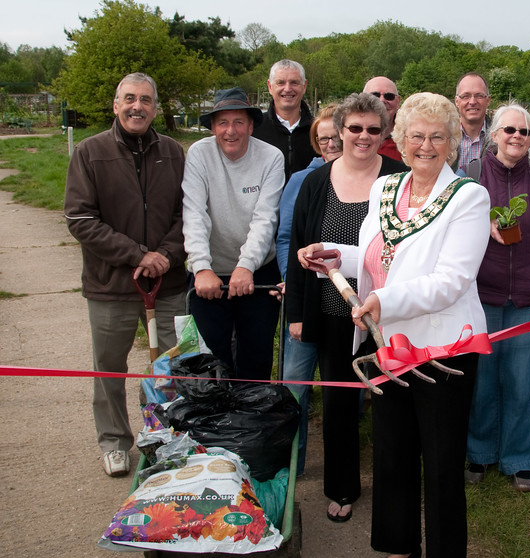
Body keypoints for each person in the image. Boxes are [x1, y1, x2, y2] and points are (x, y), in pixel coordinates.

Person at [296, 91, 490, 558]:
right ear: (399, 141)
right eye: (416, 136)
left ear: (451, 143)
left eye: (437, 136)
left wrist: (382, 300)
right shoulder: (386, 188)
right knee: (392, 452)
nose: (426, 145)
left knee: (441, 463)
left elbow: (452, 280)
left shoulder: (468, 197)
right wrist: (331, 253)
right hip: (388, 346)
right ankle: (397, 545)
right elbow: (375, 255)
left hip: (445, 350)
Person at [285, 93, 407, 524]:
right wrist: (296, 315)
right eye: (355, 128)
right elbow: (300, 249)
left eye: (374, 129)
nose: (364, 136)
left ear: (385, 133)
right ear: (339, 130)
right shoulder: (316, 183)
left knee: (392, 402)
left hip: (387, 314)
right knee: (338, 407)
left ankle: (395, 488)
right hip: (332, 316)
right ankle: (341, 486)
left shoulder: (400, 179)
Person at [64, 72, 187, 477]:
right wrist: (137, 255)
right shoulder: (90, 151)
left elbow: (186, 213)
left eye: (146, 100)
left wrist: (165, 255)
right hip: (111, 285)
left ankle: (167, 434)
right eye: (130, 99)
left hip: (166, 283)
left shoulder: (172, 151)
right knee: (109, 367)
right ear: (116, 105)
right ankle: (115, 441)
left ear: (155, 107)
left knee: (170, 364)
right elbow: (81, 218)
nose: (138, 106)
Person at [465, 103, 530, 492]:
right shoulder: (471, 178)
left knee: (523, 383)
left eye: (525, 132)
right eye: (509, 129)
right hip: (483, 297)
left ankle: (520, 458)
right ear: (494, 134)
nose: (517, 137)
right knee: (483, 382)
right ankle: (480, 453)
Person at [181, 87, 285, 381]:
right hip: (210, 271)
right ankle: (215, 423)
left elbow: (265, 218)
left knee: (256, 355)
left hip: (258, 271)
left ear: (251, 125)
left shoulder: (271, 157)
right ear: (213, 127)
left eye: (239, 122)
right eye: (223, 123)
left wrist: (245, 266)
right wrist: (201, 266)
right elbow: (194, 212)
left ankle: (252, 421)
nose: (231, 131)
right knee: (211, 360)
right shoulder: (199, 154)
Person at [274, 103, 341, 475]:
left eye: (336, 136)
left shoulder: (364, 178)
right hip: (305, 296)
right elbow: (285, 237)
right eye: (323, 137)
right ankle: (292, 464)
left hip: (345, 298)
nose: (330, 143)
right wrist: (292, 277)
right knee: (295, 385)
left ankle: (339, 463)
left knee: (340, 390)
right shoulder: (302, 180)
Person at [252, 59, 317, 180]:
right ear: (270, 86)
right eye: (280, 83)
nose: (287, 89)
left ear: (304, 86)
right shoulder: (254, 129)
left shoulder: (319, 130)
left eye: (294, 83)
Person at [455, 72, 492, 173]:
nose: (472, 102)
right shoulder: (443, 136)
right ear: (457, 101)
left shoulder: (500, 139)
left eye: (479, 96)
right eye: (466, 96)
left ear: (488, 100)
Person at [363, 76, 402, 161]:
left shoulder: (408, 138)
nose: (381, 100)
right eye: (374, 95)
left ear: (398, 101)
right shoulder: (349, 137)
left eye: (389, 96)